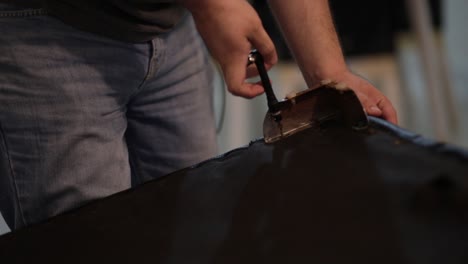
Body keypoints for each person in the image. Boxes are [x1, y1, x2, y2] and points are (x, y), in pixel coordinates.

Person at [0, 0, 397, 230]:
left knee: (198, 233)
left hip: (171, 25)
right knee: (90, 245)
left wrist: (329, 75)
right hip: (46, 27)